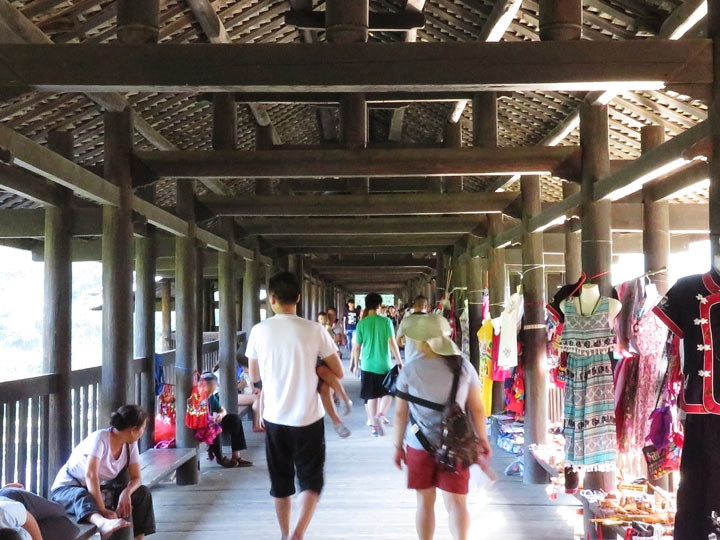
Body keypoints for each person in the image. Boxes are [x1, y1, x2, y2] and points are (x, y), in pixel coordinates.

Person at [247, 271, 346, 540]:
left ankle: (284, 534)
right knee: (311, 480)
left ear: (272, 299)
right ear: (299, 298)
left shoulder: (259, 331)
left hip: (275, 417)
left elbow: (254, 377)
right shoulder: (314, 329)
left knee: (281, 481)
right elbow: (338, 370)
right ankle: (298, 533)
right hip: (308, 417)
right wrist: (314, 367)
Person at [392, 314, 492, 540]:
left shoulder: (410, 369)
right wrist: (483, 439)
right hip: (458, 446)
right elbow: (477, 409)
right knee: (457, 503)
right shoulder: (464, 367)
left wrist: (398, 447)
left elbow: (400, 414)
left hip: (419, 445)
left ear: (423, 342)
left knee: (424, 502)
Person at [51, 405, 155, 540]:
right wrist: (102, 509)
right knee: (83, 496)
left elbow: (136, 478)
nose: (143, 432)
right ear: (133, 429)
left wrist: (126, 493)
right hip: (67, 490)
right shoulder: (100, 438)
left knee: (142, 493)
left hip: (98, 490)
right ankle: (102, 522)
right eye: (143, 428)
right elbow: (90, 475)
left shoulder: (130, 445)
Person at [351, 292, 403, 437]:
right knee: (388, 392)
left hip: (367, 365)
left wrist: (356, 364)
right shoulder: (386, 322)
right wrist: (399, 361)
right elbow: (392, 343)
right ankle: (381, 414)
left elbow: (357, 347)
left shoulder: (361, 324)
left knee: (371, 396)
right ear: (379, 305)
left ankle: (374, 427)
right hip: (384, 365)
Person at [200, 372, 253, 468]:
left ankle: (236, 455)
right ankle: (220, 458)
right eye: (208, 392)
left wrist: (220, 415)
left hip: (210, 422)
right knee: (214, 428)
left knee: (235, 419)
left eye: (212, 392)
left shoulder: (211, 397)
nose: (210, 395)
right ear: (200, 387)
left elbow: (222, 410)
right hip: (199, 427)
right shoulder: (195, 398)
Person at [0, 485, 79, 540]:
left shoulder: (4, 513)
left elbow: (28, 517)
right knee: (69, 529)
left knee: (59, 510)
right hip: (15, 527)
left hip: (14, 501)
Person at [397, 295, 429, 364]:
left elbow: (398, 341)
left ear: (413, 306)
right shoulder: (432, 321)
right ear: (426, 307)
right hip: (427, 361)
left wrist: (407, 346)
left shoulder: (405, 321)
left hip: (410, 359)